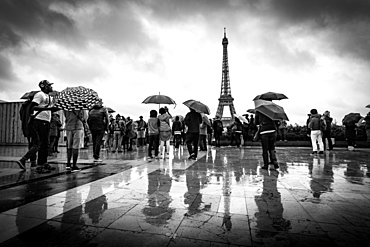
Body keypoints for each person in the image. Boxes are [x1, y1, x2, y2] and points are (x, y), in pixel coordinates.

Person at [17, 80, 59, 172]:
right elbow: (33, 107)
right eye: (49, 85)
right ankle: (36, 164)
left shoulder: (49, 97)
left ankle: (44, 163)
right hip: (39, 121)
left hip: (46, 121)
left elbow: (48, 109)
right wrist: (47, 108)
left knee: (45, 144)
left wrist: (55, 109)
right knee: (41, 143)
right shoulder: (40, 95)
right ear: (45, 87)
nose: (51, 87)